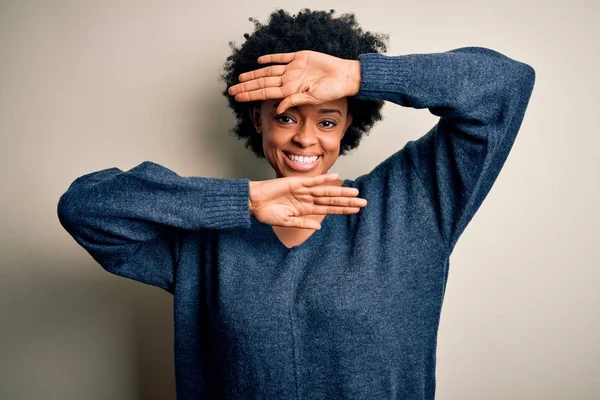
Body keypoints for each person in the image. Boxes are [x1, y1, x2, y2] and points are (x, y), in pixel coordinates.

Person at [57, 8, 535, 400]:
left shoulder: (411, 204)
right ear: (257, 119)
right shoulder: (206, 241)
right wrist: (243, 200)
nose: (306, 138)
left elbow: (505, 85)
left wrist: (358, 74)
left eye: (327, 121)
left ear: (349, 123)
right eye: (286, 117)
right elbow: (86, 207)